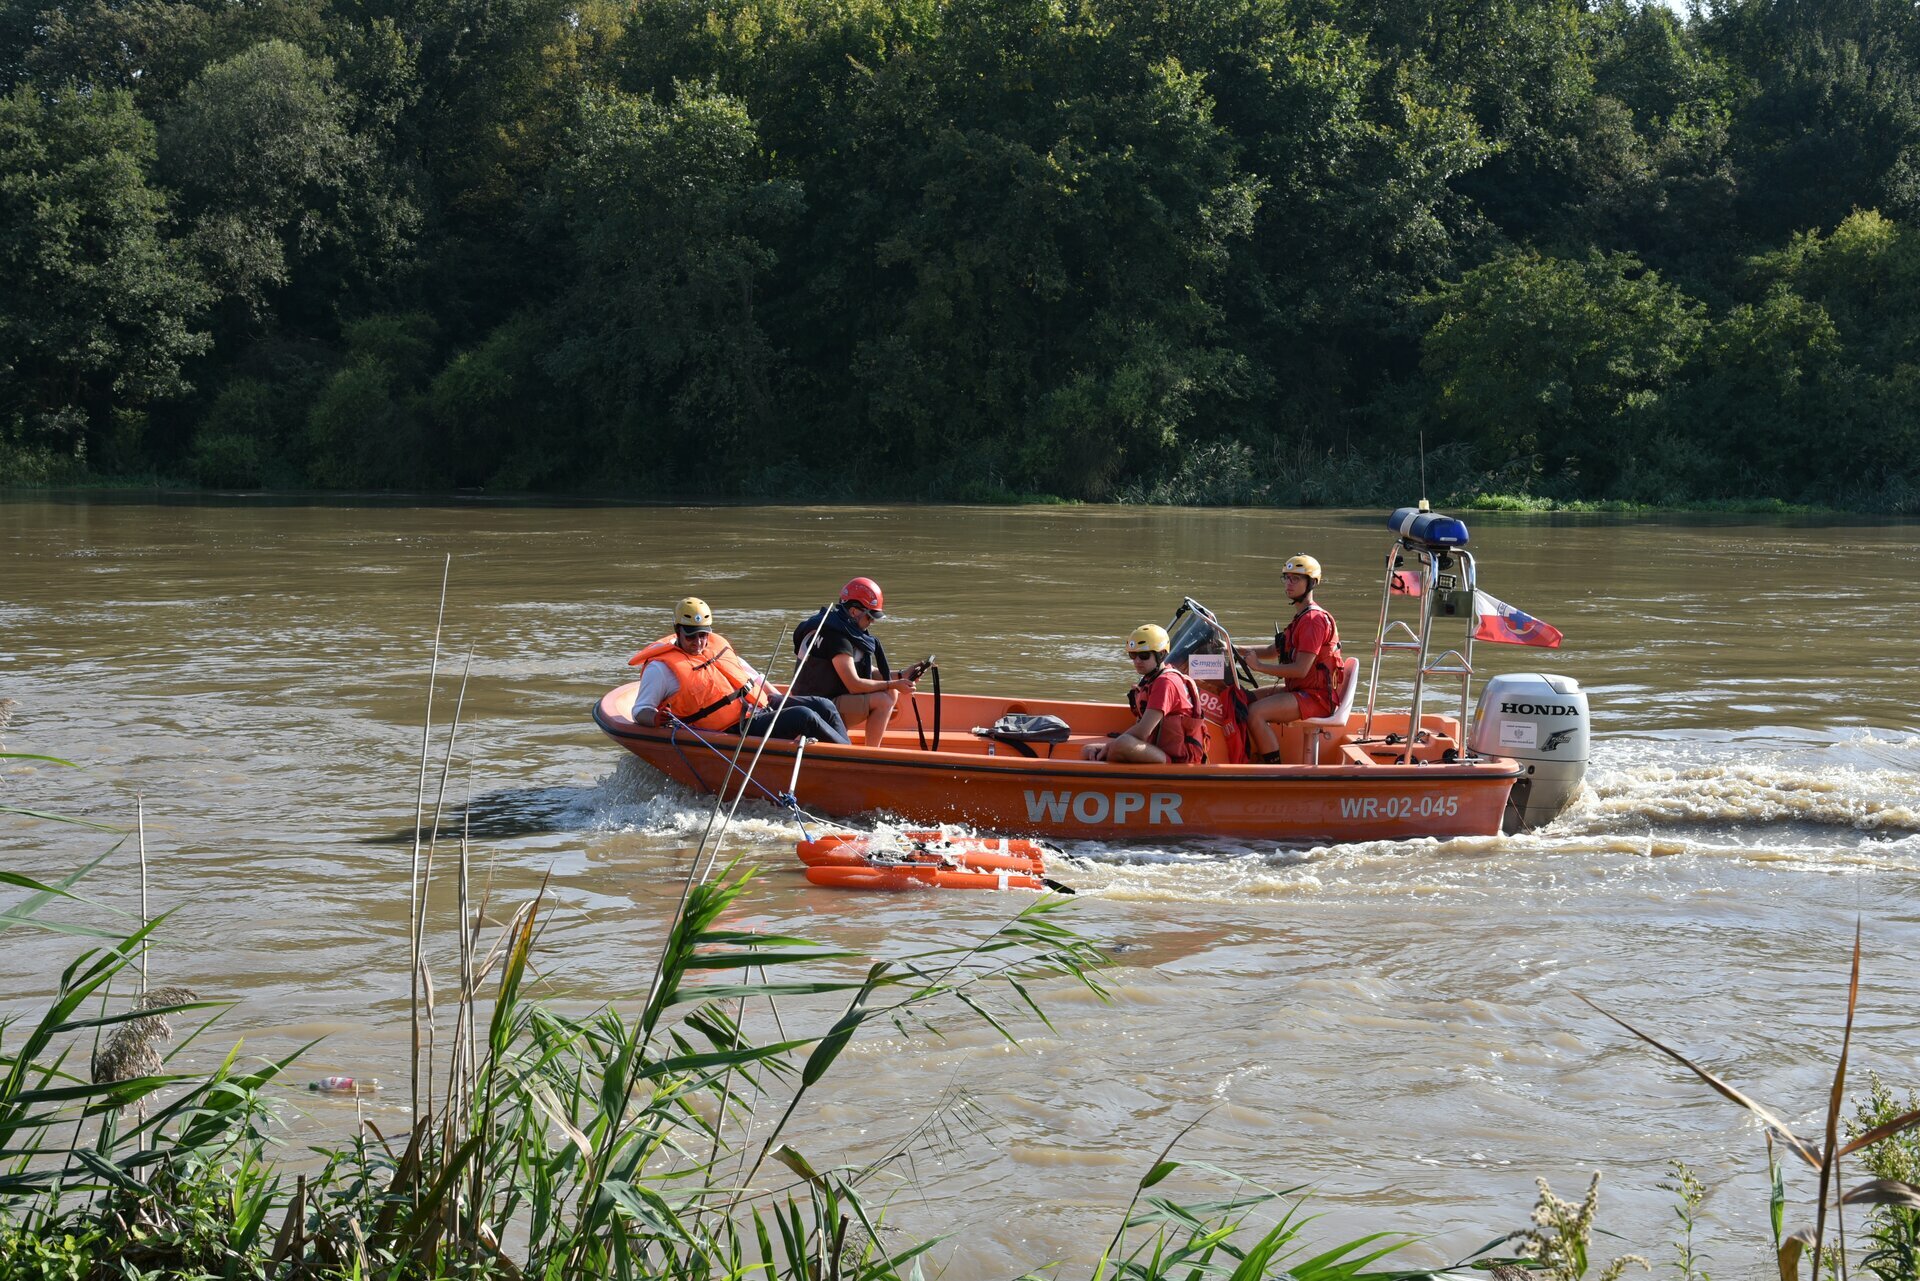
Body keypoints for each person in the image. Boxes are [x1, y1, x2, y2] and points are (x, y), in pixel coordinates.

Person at [630, 597, 850, 744]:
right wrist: (655, 719)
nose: (698, 642)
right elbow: (640, 711)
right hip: (736, 726)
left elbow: (752, 676)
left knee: (824, 705)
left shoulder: (716, 646)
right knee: (805, 717)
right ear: (677, 631)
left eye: (703, 635)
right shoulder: (661, 670)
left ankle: (846, 751)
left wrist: (780, 699)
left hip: (759, 705)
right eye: (691, 635)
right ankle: (847, 760)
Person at [1234, 554, 1342, 764]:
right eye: (1286, 578)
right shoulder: (1301, 618)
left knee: (1255, 713)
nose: (1289, 584)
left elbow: (1301, 670)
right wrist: (1230, 647)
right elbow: (1272, 650)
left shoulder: (1313, 621)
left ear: (1311, 583)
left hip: (1316, 698)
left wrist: (1259, 667)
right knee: (1243, 699)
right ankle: (1251, 754)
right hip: (1300, 691)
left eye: (1296, 579)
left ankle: (1274, 769)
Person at [790, 577, 920, 747]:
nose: (872, 622)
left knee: (891, 692)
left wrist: (902, 675)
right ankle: (871, 754)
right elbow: (854, 684)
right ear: (854, 612)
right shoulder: (837, 638)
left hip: (822, 700)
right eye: (870, 617)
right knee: (885, 699)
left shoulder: (839, 627)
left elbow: (868, 672)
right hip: (817, 707)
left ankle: (859, 743)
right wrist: (894, 684)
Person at [1082, 624, 1206, 764]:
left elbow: (1143, 732)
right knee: (1087, 749)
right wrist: (1108, 747)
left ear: (1162, 655)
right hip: (1157, 750)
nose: (1137, 661)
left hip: (1177, 761)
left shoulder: (1166, 682)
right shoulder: (1151, 679)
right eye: (1133, 655)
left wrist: (1110, 746)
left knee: (1122, 744)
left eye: (1144, 656)